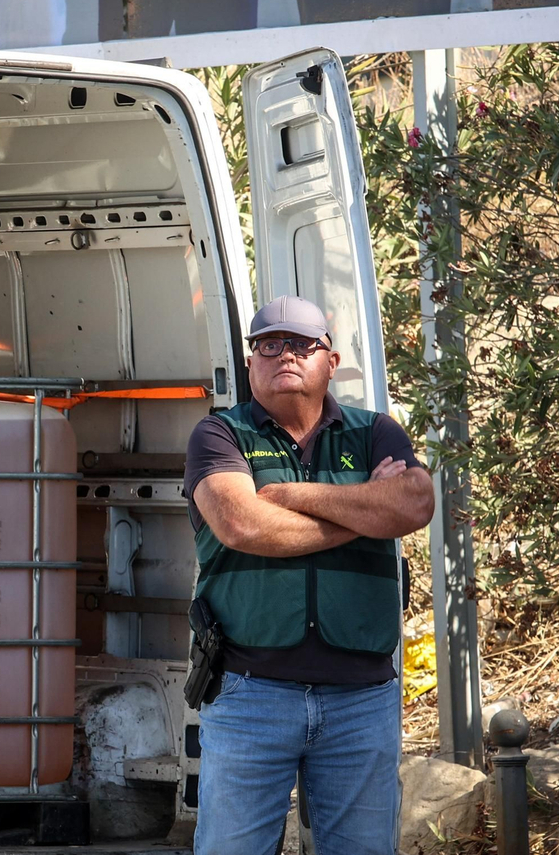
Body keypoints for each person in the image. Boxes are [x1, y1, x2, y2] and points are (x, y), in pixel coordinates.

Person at [185, 295, 435, 855]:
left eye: (302, 344)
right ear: (250, 363)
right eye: (268, 345)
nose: (284, 355)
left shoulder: (376, 432)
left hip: (360, 701)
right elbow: (244, 524)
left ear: (332, 361)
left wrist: (296, 496)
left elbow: (415, 505)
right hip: (249, 694)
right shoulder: (219, 436)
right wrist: (367, 510)